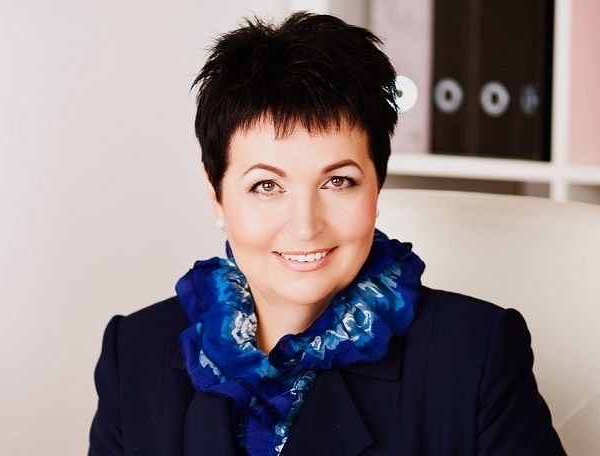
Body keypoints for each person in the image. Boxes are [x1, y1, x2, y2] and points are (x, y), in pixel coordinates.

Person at [88, 12, 565, 456]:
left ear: (377, 184)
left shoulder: (475, 355)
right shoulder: (134, 353)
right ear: (217, 194)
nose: (305, 225)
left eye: (338, 181)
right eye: (266, 186)